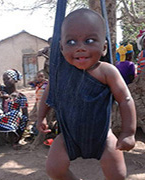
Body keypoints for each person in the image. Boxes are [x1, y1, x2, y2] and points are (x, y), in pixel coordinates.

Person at [37, 9, 136, 179]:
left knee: (118, 175)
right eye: (72, 42)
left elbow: (125, 99)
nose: (80, 48)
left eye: (90, 41)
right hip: (68, 137)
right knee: (54, 169)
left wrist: (128, 132)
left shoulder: (107, 71)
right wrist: (41, 117)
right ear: (61, 47)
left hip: (102, 137)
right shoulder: (60, 73)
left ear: (104, 47)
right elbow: (48, 95)